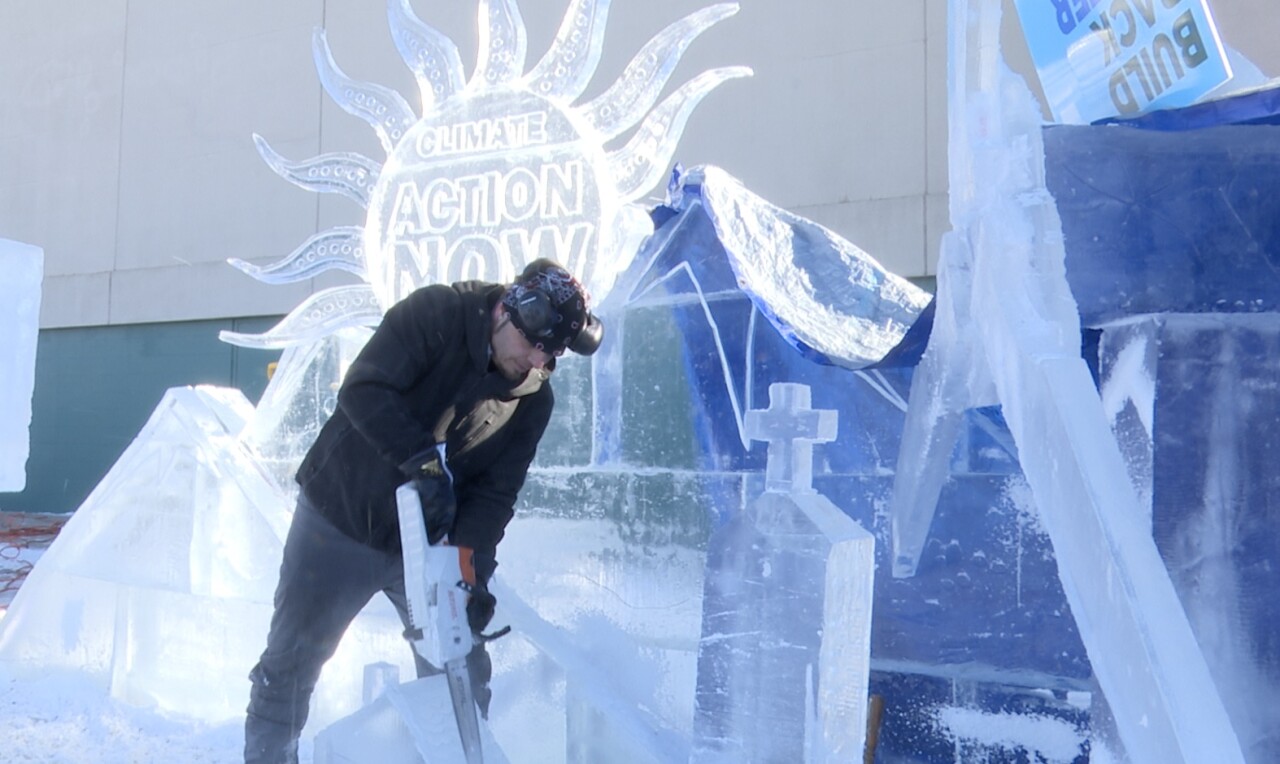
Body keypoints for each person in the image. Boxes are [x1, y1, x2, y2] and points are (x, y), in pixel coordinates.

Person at [244, 258, 603, 764]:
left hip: (429, 545)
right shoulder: (437, 313)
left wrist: (469, 577)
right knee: (292, 662)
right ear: (507, 312)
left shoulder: (533, 399)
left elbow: (494, 496)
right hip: (342, 514)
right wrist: (423, 463)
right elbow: (363, 389)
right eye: (533, 348)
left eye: (552, 357)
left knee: (460, 670)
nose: (537, 365)